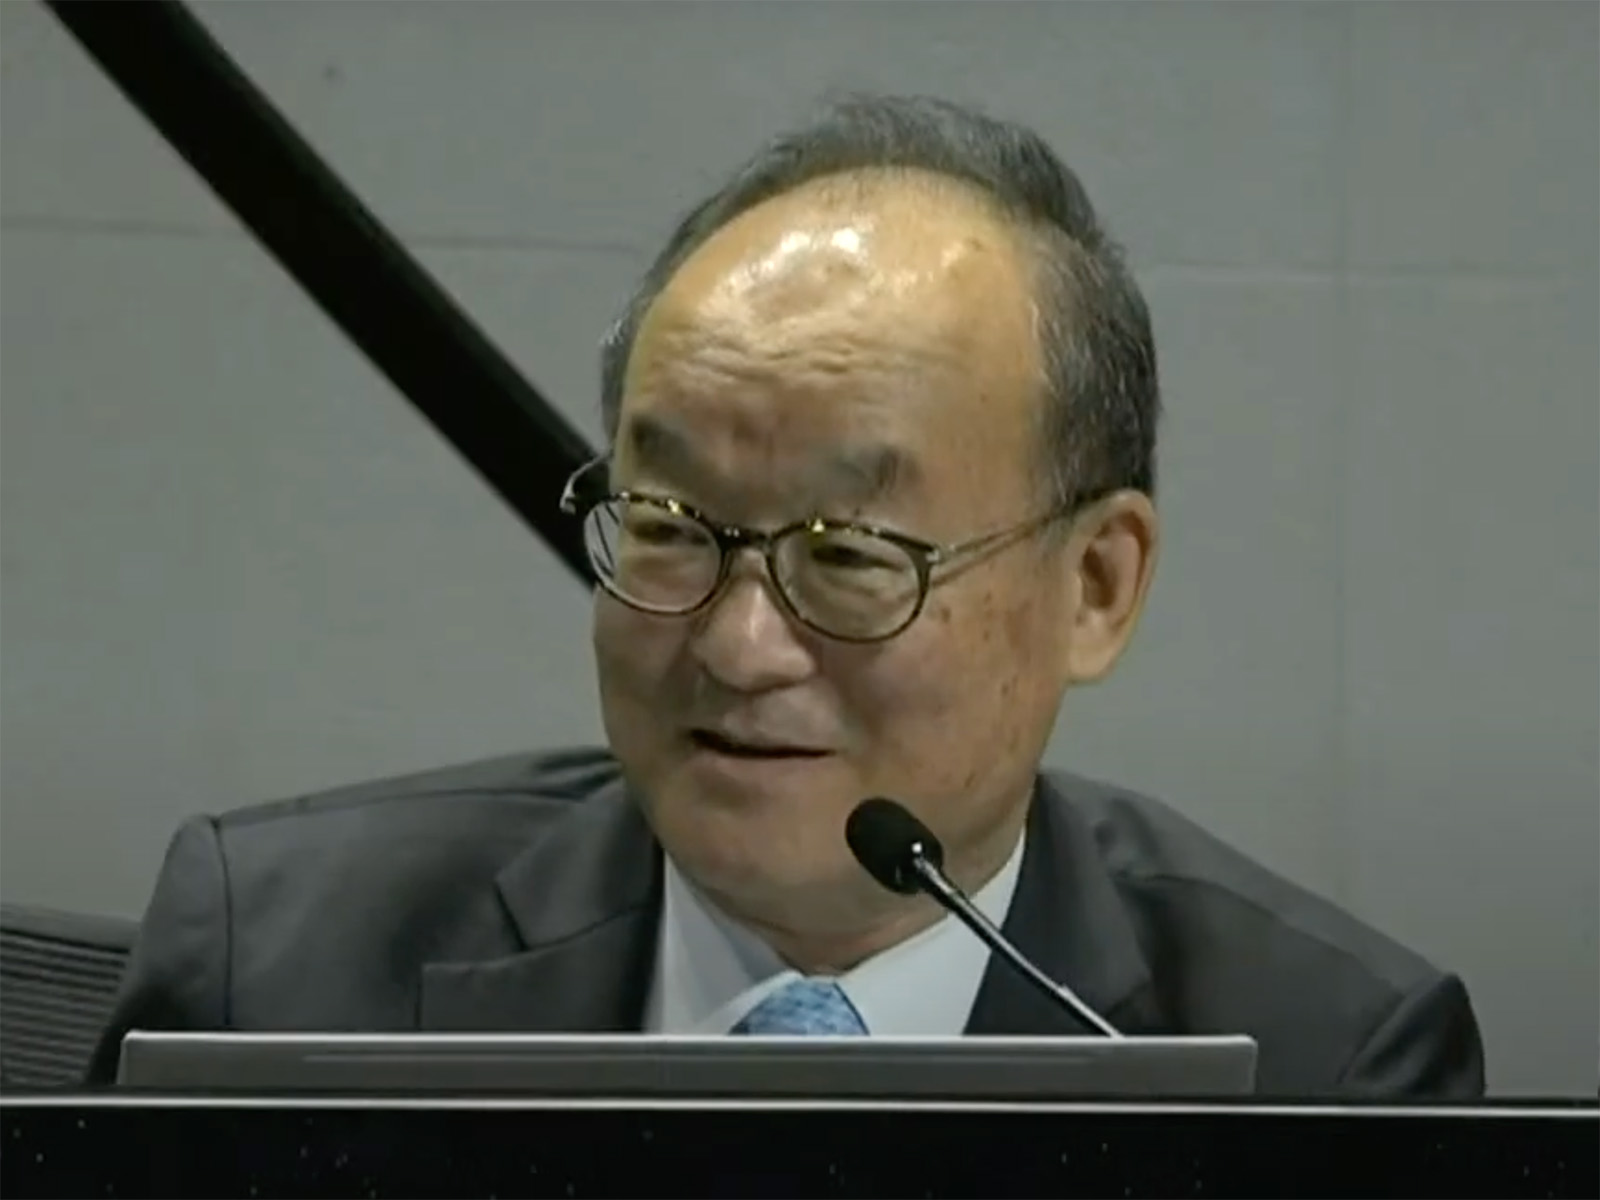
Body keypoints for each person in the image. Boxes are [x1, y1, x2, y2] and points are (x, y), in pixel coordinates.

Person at [86, 93, 1484, 1096]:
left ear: (1096, 587)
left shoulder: (1322, 1061)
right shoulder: (277, 968)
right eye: (668, 527)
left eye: (852, 557)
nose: (741, 644)